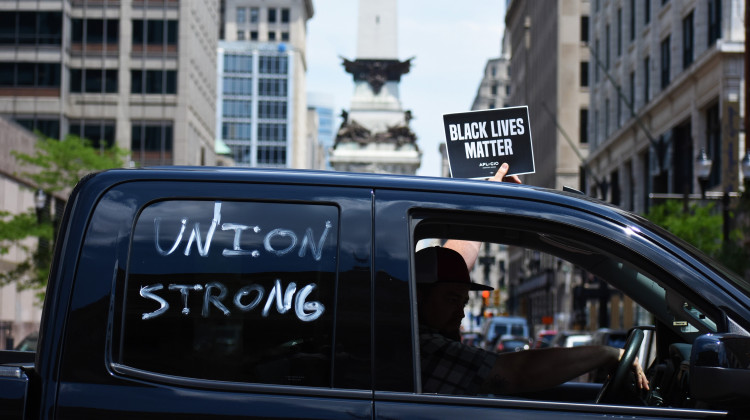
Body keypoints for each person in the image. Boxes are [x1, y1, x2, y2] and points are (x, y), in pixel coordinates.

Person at [416, 164, 649, 397]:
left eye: (463, 302)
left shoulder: (419, 332)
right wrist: (606, 354)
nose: (461, 313)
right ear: (417, 297)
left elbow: (458, 258)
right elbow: (518, 373)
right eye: (451, 299)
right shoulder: (424, 346)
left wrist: (487, 197)